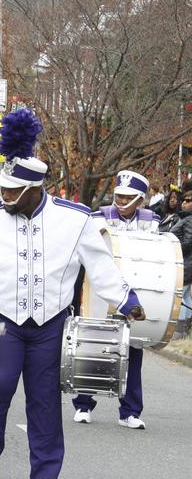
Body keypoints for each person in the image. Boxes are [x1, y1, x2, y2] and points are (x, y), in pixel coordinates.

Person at [0, 109, 144, 479]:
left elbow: (100, 265)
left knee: (44, 396)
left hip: (50, 323)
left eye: (12, 193)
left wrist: (125, 299)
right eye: (3, 191)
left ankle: (45, 472)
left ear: (36, 189)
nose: (4, 198)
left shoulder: (76, 220)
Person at [72, 170, 159, 429]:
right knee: (94, 347)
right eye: (119, 196)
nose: (121, 202)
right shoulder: (100, 216)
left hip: (134, 292)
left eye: (128, 198)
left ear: (140, 199)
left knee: (133, 351)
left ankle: (129, 412)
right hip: (101, 294)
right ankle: (84, 404)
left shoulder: (150, 220)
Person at [168, 188, 192, 339]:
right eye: (184, 200)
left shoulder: (189, 220)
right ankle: (185, 329)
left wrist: (174, 249)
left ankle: (180, 329)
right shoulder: (185, 218)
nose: (184, 203)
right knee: (185, 295)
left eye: (188, 201)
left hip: (186, 262)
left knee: (181, 295)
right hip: (186, 261)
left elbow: (189, 242)